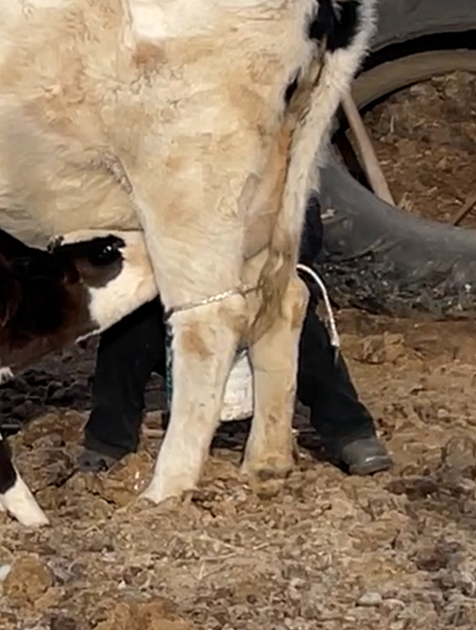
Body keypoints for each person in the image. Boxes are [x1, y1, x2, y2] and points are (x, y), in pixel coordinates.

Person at [77, 195, 394, 476]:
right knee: (127, 335)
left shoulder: (269, 156)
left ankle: (350, 430)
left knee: (304, 333)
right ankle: (109, 439)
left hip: (252, 292)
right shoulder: (163, 162)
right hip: (178, 297)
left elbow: (303, 229)